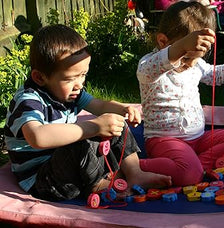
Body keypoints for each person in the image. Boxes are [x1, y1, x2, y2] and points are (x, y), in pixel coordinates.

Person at [4, 24, 172, 202]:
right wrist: (93, 127)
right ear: (40, 77)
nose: (79, 84)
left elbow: (98, 105)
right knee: (83, 136)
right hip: (45, 180)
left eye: (83, 75)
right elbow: (37, 137)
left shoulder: (70, 93)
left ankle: (135, 173)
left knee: (114, 122)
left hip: (70, 168)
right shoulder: (28, 101)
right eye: (70, 78)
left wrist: (123, 110)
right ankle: (98, 185)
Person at [137, 1, 224, 187]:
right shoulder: (150, 65)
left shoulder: (195, 64)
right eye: (187, 56)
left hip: (199, 138)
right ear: (163, 42)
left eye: (196, 57)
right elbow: (150, 69)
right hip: (164, 140)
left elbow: (215, 75)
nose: (191, 63)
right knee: (189, 174)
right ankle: (133, 167)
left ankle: (197, 166)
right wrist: (181, 47)